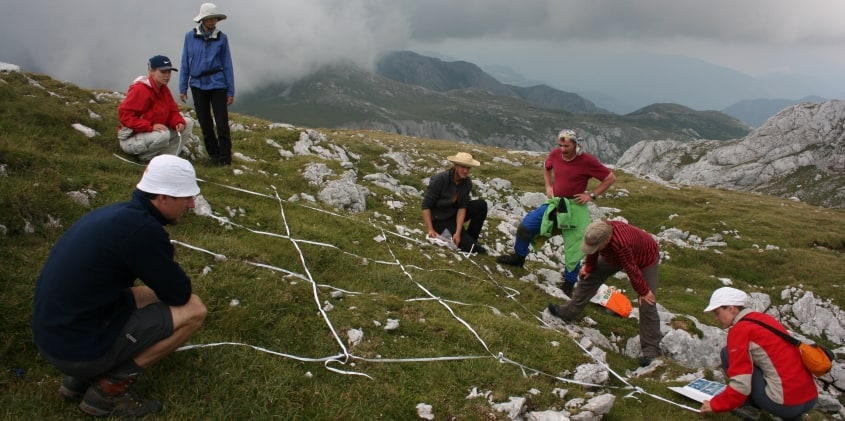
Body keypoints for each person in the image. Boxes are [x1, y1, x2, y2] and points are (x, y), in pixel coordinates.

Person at [32, 155, 208, 418]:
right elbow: (179, 293)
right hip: (75, 350)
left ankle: (78, 379)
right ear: (163, 197)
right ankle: (109, 389)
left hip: (54, 335)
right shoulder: (143, 231)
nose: (192, 204)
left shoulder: (116, 214)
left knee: (148, 296)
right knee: (194, 310)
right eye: (186, 198)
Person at [497, 129, 616, 295]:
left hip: (575, 206)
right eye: (560, 145)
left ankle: (568, 282)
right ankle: (518, 258)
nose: (562, 149)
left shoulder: (587, 161)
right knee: (526, 227)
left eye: (566, 146)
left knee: (576, 246)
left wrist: (592, 195)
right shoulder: (555, 154)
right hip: (556, 203)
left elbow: (610, 178)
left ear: (576, 144)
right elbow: (547, 167)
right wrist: (548, 186)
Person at [546, 220, 661, 366]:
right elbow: (593, 250)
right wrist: (589, 266)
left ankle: (651, 351)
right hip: (613, 255)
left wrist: (643, 291)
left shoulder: (620, 244)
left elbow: (631, 268)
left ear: (606, 240)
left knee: (647, 301)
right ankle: (568, 312)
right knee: (589, 275)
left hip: (645, 258)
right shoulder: (598, 231)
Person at [699, 287, 818, 420]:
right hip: (810, 398)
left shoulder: (740, 331)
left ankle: (749, 408)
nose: (716, 318)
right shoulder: (763, 318)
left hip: (785, 404)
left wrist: (715, 405)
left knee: (727, 353)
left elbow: (741, 384)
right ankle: (794, 416)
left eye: (717, 312)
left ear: (731, 308)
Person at [180, 3, 235, 166]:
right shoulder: (190, 37)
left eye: (215, 19)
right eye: (210, 19)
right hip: (197, 84)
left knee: (222, 122)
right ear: (203, 19)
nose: (213, 22)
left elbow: (227, 64)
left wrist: (230, 90)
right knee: (205, 122)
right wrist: (183, 87)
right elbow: (185, 62)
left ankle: (225, 158)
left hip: (218, 83)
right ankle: (214, 155)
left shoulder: (222, 38)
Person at [118, 55, 193, 162]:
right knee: (163, 135)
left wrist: (178, 122)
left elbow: (172, 111)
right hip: (130, 139)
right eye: (163, 72)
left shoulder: (163, 89)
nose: (167, 76)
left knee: (188, 123)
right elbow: (124, 116)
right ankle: (145, 158)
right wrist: (150, 126)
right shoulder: (140, 89)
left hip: (149, 135)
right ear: (151, 71)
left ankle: (168, 160)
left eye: (169, 72)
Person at [422, 152, 489, 254]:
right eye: (463, 167)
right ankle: (468, 243)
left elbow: (462, 207)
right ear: (456, 166)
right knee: (474, 249)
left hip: (454, 214)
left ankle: (471, 238)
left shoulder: (467, 183)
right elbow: (426, 206)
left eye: (468, 168)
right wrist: (430, 230)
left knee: (481, 205)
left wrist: (457, 232)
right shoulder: (440, 179)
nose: (465, 171)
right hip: (440, 219)